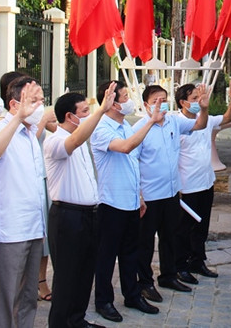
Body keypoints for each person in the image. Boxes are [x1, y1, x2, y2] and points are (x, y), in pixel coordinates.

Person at [43, 84, 117, 328]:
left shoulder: (83, 142)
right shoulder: (56, 141)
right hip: (67, 217)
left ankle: (77, 319)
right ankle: (60, 323)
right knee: (66, 276)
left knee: (85, 273)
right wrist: (101, 111)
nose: (88, 114)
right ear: (69, 116)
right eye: (84, 111)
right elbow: (73, 141)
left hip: (89, 215)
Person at [91, 80, 164, 323]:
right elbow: (126, 148)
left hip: (131, 202)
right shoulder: (102, 129)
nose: (127, 101)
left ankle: (132, 294)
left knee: (130, 253)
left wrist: (139, 196)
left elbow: (133, 163)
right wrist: (151, 122)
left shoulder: (125, 126)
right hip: (111, 204)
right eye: (123, 97)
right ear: (110, 101)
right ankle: (104, 301)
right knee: (106, 256)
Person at [134, 84, 210, 303]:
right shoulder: (140, 128)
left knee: (169, 237)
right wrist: (138, 195)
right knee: (145, 242)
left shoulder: (174, 122)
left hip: (171, 192)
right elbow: (132, 162)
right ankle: (145, 283)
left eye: (164, 98)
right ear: (146, 105)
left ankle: (168, 275)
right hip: (149, 195)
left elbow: (199, 125)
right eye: (156, 100)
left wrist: (203, 108)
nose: (161, 103)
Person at [0, 76, 46, 328]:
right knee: (5, 301)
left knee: (28, 298)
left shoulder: (29, 134)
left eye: (41, 100)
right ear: (13, 104)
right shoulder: (0, 128)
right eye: (33, 100)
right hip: (8, 232)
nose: (39, 106)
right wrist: (18, 118)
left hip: (32, 227)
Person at [0, 70, 55, 303]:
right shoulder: (4, 122)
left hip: (40, 178)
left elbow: (59, 128)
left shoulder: (37, 113)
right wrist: (40, 119)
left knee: (43, 235)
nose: (38, 103)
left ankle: (40, 280)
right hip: (18, 186)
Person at [174, 81, 231, 282]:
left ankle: (197, 261)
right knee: (184, 229)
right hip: (187, 187)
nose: (198, 102)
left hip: (206, 183)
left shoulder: (206, 119)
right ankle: (180, 266)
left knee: (202, 227)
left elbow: (227, 117)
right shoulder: (176, 124)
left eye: (200, 98)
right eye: (194, 99)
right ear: (183, 102)